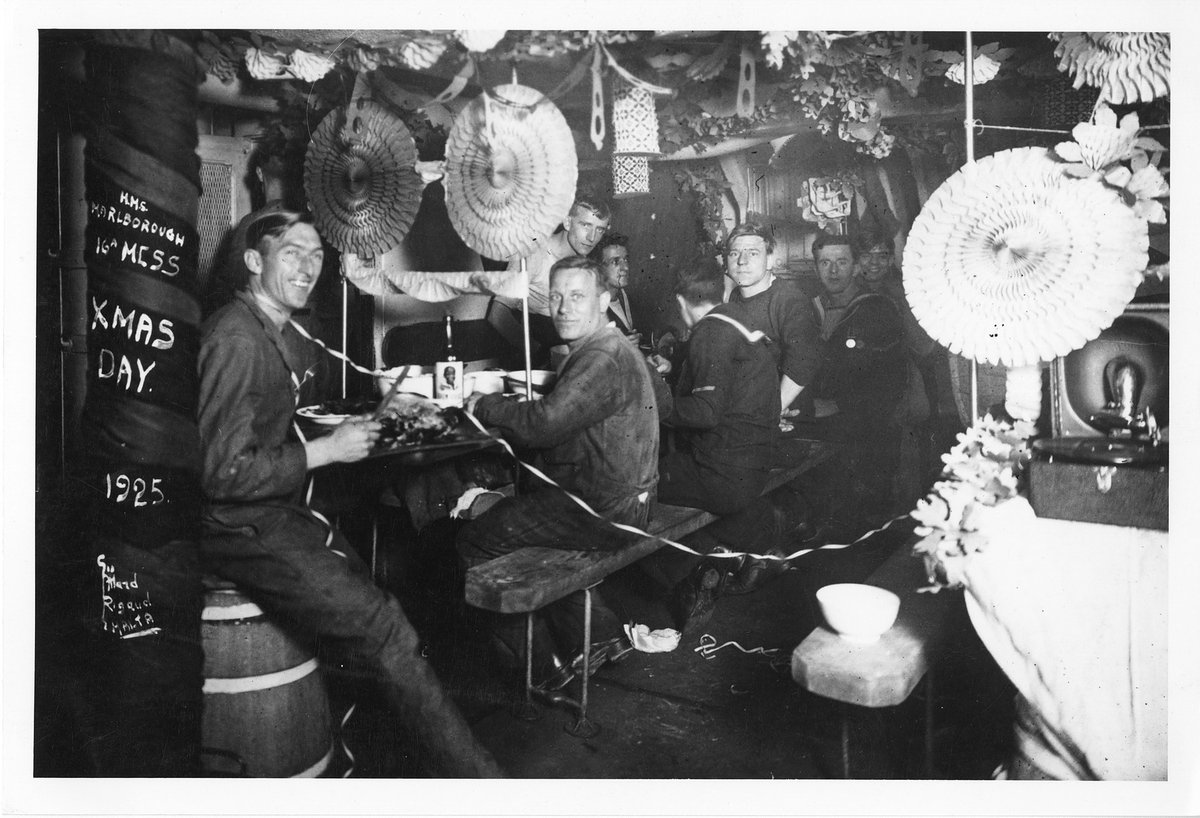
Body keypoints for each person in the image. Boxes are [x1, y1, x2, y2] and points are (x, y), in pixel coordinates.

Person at [196, 210, 502, 778]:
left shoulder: (271, 330)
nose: (308, 268)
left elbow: (266, 434)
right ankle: (484, 786)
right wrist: (326, 450)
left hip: (271, 512)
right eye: (292, 253)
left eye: (316, 256)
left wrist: (377, 425)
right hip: (236, 525)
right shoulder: (235, 338)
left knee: (376, 599)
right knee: (385, 625)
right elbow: (220, 473)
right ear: (253, 261)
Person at [457, 255, 660, 684]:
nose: (564, 307)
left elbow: (544, 426)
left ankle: (541, 669)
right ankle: (601, 636)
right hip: (625, 500)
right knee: (523, 521)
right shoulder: (607, 346)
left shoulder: (602, 356)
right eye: (556, 296)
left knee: (475, 540)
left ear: (603, 301)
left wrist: (484, 404)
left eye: (578, 296)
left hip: (604, 509)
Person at [642, 268, 788, 627]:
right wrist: (677, 366)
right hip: (754, 464)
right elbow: (725, 381)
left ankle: (678, 573)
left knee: (639, 486)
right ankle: (739, 542)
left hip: (723, 475)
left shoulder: (711, 332)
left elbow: (706, 412)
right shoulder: (738, 321)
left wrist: (652, 402)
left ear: (681, 302)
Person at [808, 232, 908, 524]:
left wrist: (839, 404)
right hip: (824, 433)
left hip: (870, 437)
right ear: (816, 268)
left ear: (855, 267)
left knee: (864, 522)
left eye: (842, 262)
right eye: (825, 263)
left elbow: (891, 382)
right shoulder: (809, 309)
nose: (834, 271)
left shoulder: (877, 309)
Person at [724, 222, 824, 431]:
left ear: (769, 260)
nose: (741, 261)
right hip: (751, 413)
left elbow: (804, 361)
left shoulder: (789, 300)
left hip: (786, 418)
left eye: (752, 253)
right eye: (734, 254)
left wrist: (770, 412)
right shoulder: (735, 297)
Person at [495, 197, 612, 364]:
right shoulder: (534, 253)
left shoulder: (584, 262)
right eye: (585, 225)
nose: (592, 237)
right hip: (532, 351)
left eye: (599, 230)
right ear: (567, 223)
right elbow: (498, 315)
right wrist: (538, 352)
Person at [592, 232, 640, 344]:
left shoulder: (627, 298)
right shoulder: (592, 308)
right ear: (599, 268)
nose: (626, 267)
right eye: (616, 262)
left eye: (626, 260)